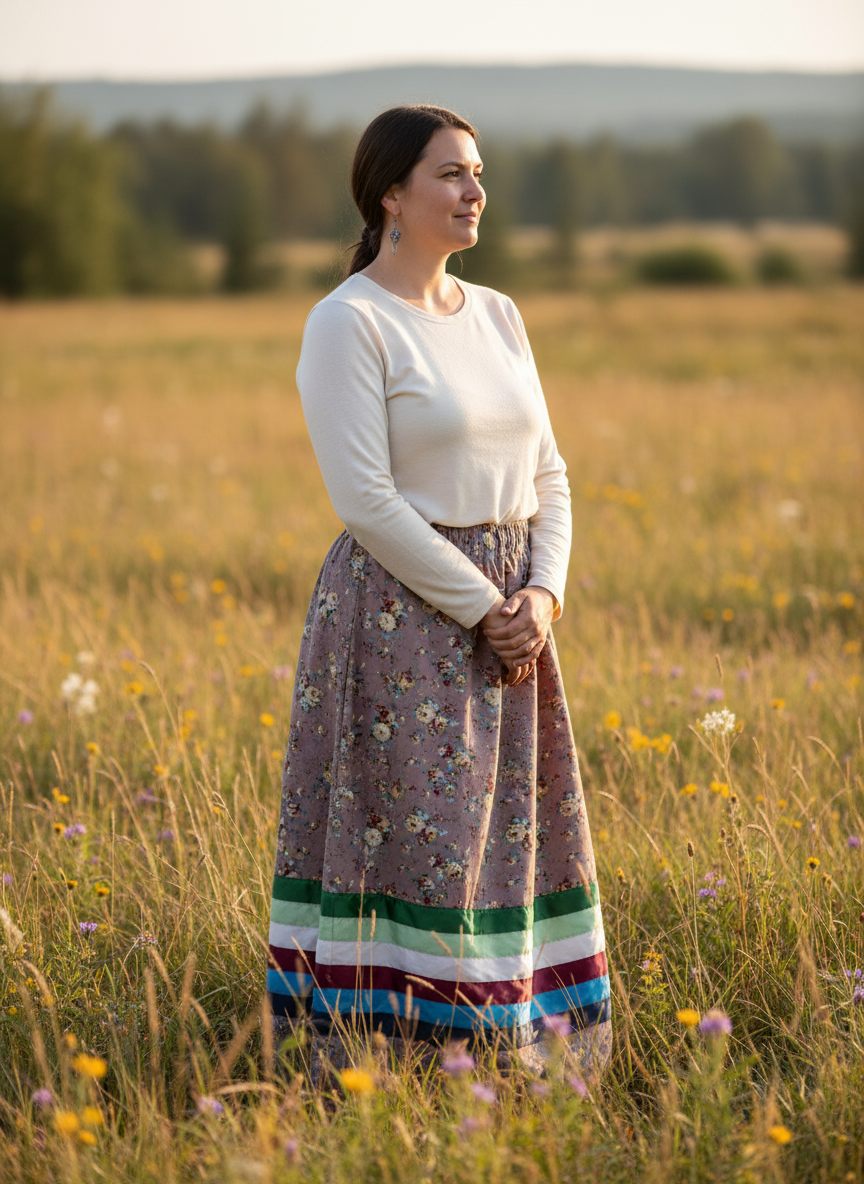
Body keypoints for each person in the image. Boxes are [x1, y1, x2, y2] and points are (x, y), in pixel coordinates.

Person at [266, 104, 611, 1076]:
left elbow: (551, 471)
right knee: (422, 843)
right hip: (400, 614)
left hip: (515, 618)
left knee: (513, 834)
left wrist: (542, 597)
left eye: (479, 172)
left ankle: (514, 1055)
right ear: (391, 195)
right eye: (452, 174)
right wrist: (485, 608)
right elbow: (365, 500)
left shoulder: (499, 313)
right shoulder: (348, 321)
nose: (475, 192)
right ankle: (396, 1065)